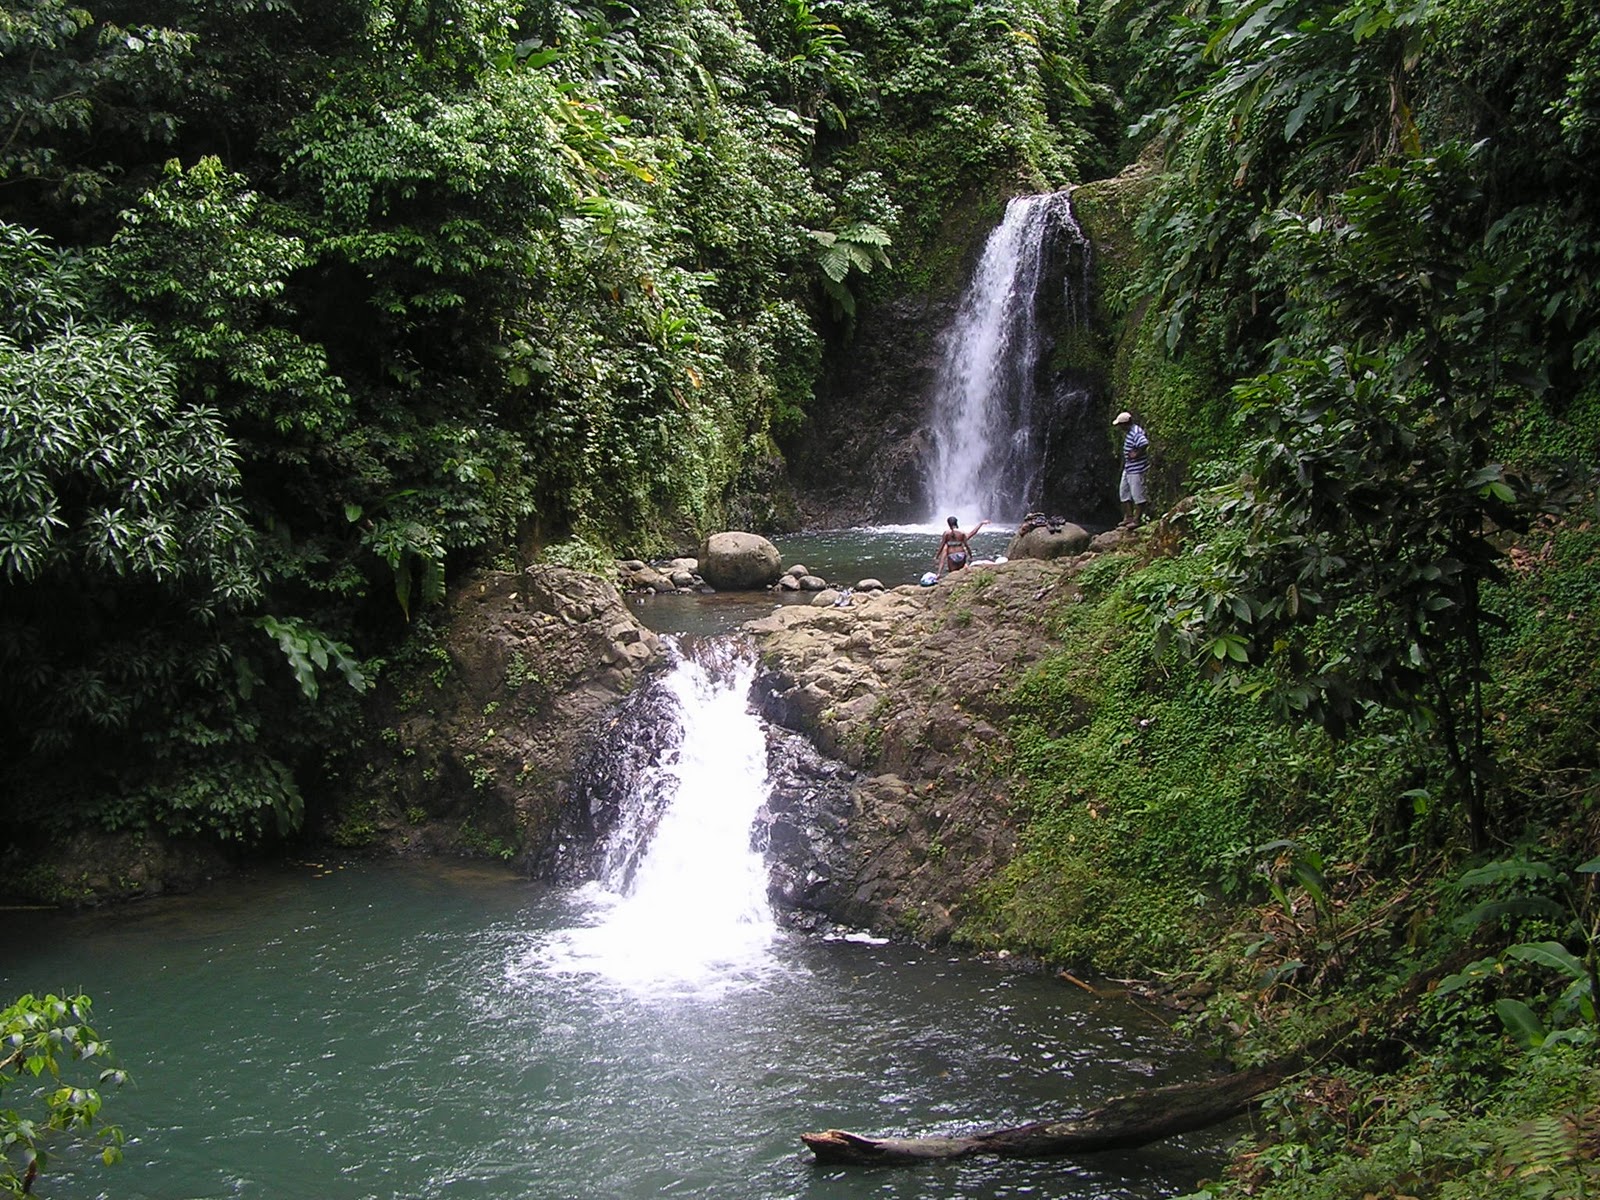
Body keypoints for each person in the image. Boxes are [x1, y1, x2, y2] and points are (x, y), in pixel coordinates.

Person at [1113, 411, 1150, 528]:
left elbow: (1144, 443)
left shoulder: (1136, 432)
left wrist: (1137, 454)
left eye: (1120, 425)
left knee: (1138, 495)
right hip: (1129, 468)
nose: (1119, 427)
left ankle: (1137, 520)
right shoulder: (1130, 432)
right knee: (1124, 493)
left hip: (1137, 470)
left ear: (1125, 424)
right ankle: (1128, 517)